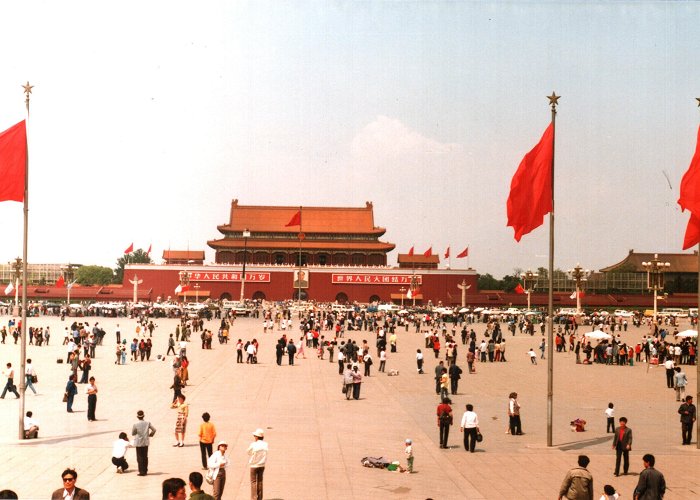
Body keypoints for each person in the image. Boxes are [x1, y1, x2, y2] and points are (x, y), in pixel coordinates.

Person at [132, 410, 157, 476]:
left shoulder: (135, 424)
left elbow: (133, 433)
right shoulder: (148, 423)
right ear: (143, 416)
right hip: (146, 442)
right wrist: (150, 435)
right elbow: (154, 430)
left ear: (137, 416)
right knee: (145, 456)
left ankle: (141, 471)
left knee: (139, 457)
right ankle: (145, 470)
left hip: (138, 442)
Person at [247, 428, 268, 500]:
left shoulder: (253, 444)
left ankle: (253, 498)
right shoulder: (265, 444)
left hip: (254, 465)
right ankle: (260, 498)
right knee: (260, 481)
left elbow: (248, 452)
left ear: (257, 437)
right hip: (262, 465)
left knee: (253, 482)